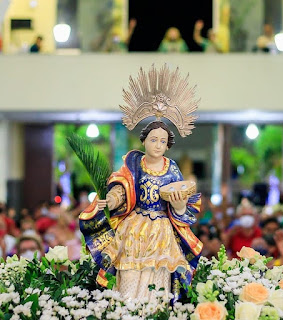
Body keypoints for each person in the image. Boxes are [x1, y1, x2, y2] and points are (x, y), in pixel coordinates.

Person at [78, 65, 202, 302]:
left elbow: (181, 201)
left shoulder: (172, 168)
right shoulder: (133, 164)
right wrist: (112, 198)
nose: (157, 144)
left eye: (162, 141)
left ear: (168, 145)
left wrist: (178, 206)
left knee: (159, 278)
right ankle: (126, 311)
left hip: (162, 232)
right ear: (143, 141)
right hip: (134, 230)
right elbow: (121, 187)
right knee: (130, 275)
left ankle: (156, 312)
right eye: (153, 139)